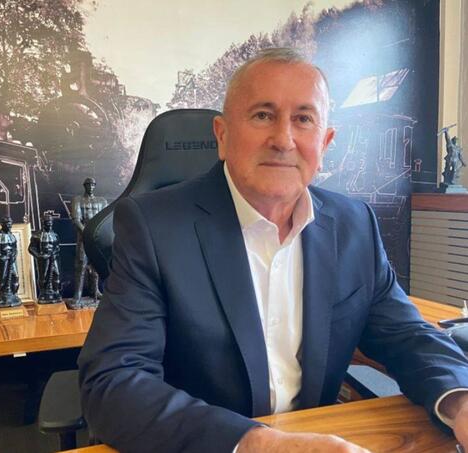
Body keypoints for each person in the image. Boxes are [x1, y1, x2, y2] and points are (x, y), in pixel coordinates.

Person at [78, 48, 468, 453]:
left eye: (304, 119)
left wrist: (460, 401)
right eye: (263, 115)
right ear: (222, 136)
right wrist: (258, 443)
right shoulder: (154, 226)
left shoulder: (354, 226)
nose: (283, 140)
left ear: (325, 142)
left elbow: (408, 334)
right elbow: (112, 383)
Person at [71, 177, 107, 304]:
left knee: (96, 264)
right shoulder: (77, 200)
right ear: (84, 185)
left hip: (96, 237)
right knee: (81, 264)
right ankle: (78, 295)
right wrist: (87, 233)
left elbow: (104, 220)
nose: (91, 187)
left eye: (93, 185)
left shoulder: (102, 201)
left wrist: (96, 234)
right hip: (84, 237)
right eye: (88, 184)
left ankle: (95, 290)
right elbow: (76, 220)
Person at [28, 214, 62, 302]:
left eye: (51, 222)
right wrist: (39, 256)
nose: (49, 224)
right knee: (43, 276)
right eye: (47, 222)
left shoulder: (55, 235)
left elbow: (57, 247)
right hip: (43, 259)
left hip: (53, 258)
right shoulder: (37, 235)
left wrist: (54, 253)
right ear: (43, 223)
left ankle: (56, 292)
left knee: (56, 274)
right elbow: (31, 248)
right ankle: (43, 293)